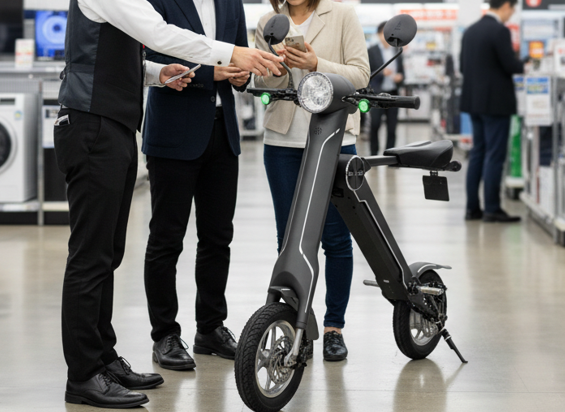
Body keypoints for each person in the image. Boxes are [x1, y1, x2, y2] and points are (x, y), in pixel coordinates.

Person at [54, 0, 282, 408]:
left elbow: (119, 56)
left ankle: (103, 358)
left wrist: (156, 73)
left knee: (108, 254)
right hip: (92, 123)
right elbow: (158, 33)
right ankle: (83, 374)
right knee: (91, 257)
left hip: (115, 124)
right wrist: (232, 52)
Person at [254, 0, 369, 361]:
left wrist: (316, 64)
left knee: (336, 238)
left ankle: (334, 328)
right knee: (289, 239)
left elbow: (361, 75)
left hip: (334, 138)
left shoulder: (342, 14)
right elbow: (261, 81)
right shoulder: (269, 21)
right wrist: (276, 68)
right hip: (282, 141)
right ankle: (295, 324)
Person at [141, 0, 251, 371]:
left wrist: (242, 76)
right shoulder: (158, 2)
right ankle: (165, 335)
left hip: (223, 134)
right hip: (173, 135)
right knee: (166, 239)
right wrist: (211, 73)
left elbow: (240, 53)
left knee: (218, 238)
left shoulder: (231, 3)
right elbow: (150, 55)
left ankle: (210, 328)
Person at [459, 0, 524, 223]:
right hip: (496, 103)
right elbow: (510, 65)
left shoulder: (470, 31)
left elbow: (462, 67)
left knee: (478, 153)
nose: (511, 14)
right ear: (505, 5)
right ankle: (492, 209)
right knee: (495, 155)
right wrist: (525, 64)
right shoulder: (500, 31)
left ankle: (472, 208)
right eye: (512, 9)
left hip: (473, 102)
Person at [367, 21, 405, 156]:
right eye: (384, 33)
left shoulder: (397, 50)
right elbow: (367, 73)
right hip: (377, 94)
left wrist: (400, 77)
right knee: (375, 124)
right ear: (378, 34)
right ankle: (373, 154)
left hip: (393, 94)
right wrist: (382, 72)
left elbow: (402, 72)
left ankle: (390, 155)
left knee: (392, 127)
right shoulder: (372, 51)